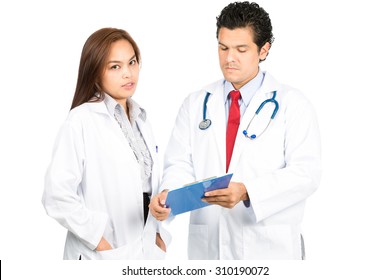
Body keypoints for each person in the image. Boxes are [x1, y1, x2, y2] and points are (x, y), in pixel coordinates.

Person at [150, 1, 321, 260]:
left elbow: (306, 174)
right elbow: (179, 164)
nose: (229, 58)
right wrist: (168, 197)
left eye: (241, 49)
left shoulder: (293, 104)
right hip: (209, 249)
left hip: (269, 249)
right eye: (223, 47)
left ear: (264, 50)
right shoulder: (196, 103)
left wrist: (247, 191)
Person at [42, 27, 170, 260]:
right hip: (103, 253)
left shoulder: (141, 118)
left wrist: (158, 235)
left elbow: (144, 187)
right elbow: (56, 195)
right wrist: (98, 240)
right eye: (115, 66)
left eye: (132, 62)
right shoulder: (81, 121)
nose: (128, 73)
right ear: (95, 72)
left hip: (145, 250)